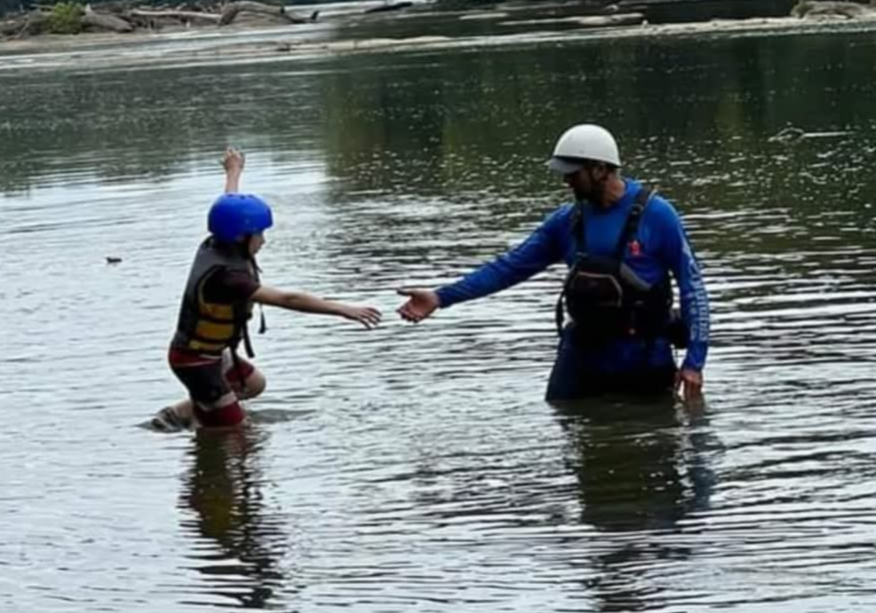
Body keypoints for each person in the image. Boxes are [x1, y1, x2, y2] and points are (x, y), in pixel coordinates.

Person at [397, 124, 709, 402]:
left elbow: (692, 288)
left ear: (600, 169)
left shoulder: (658, 215)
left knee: (652, 440)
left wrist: (694, 363)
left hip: (645, 356)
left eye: (573, 174)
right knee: (565, 423)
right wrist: (440, 297)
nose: (565, 181)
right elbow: (508, 268)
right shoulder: (565, 222)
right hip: (581, 357)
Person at [152, 148, 382, 431]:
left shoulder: (220, 241)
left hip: (211, 353)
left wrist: (233, 171)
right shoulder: (226, 278)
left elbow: (228, 206)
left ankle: (180, 415)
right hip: (195, 361)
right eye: (259, 233)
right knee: (239, 435)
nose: (263, 240)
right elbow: (288, 298)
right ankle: (211, 420)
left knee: (253, 384)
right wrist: (343, 309)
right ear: (240, 236)